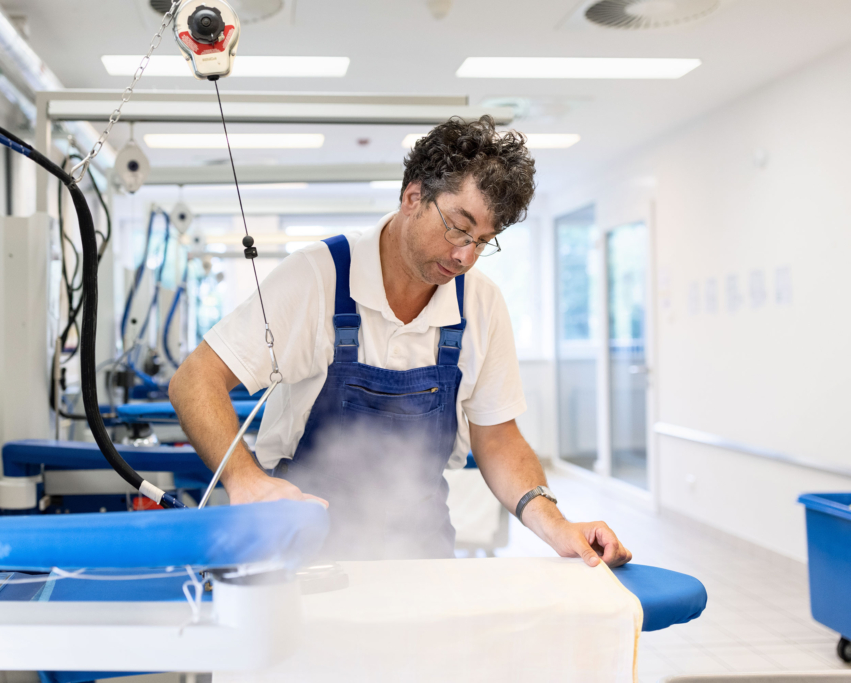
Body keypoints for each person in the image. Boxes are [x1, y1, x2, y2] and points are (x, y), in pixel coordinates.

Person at [169, 115, 632, 566]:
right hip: (302, 543)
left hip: (419, 548)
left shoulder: (481, 304)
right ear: (413, 197)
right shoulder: (318, 278)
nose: (465, 255)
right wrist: (244, 479)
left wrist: (556, 525)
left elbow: (497, 438)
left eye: (483, 240)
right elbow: (195, 379)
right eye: (458, 226)